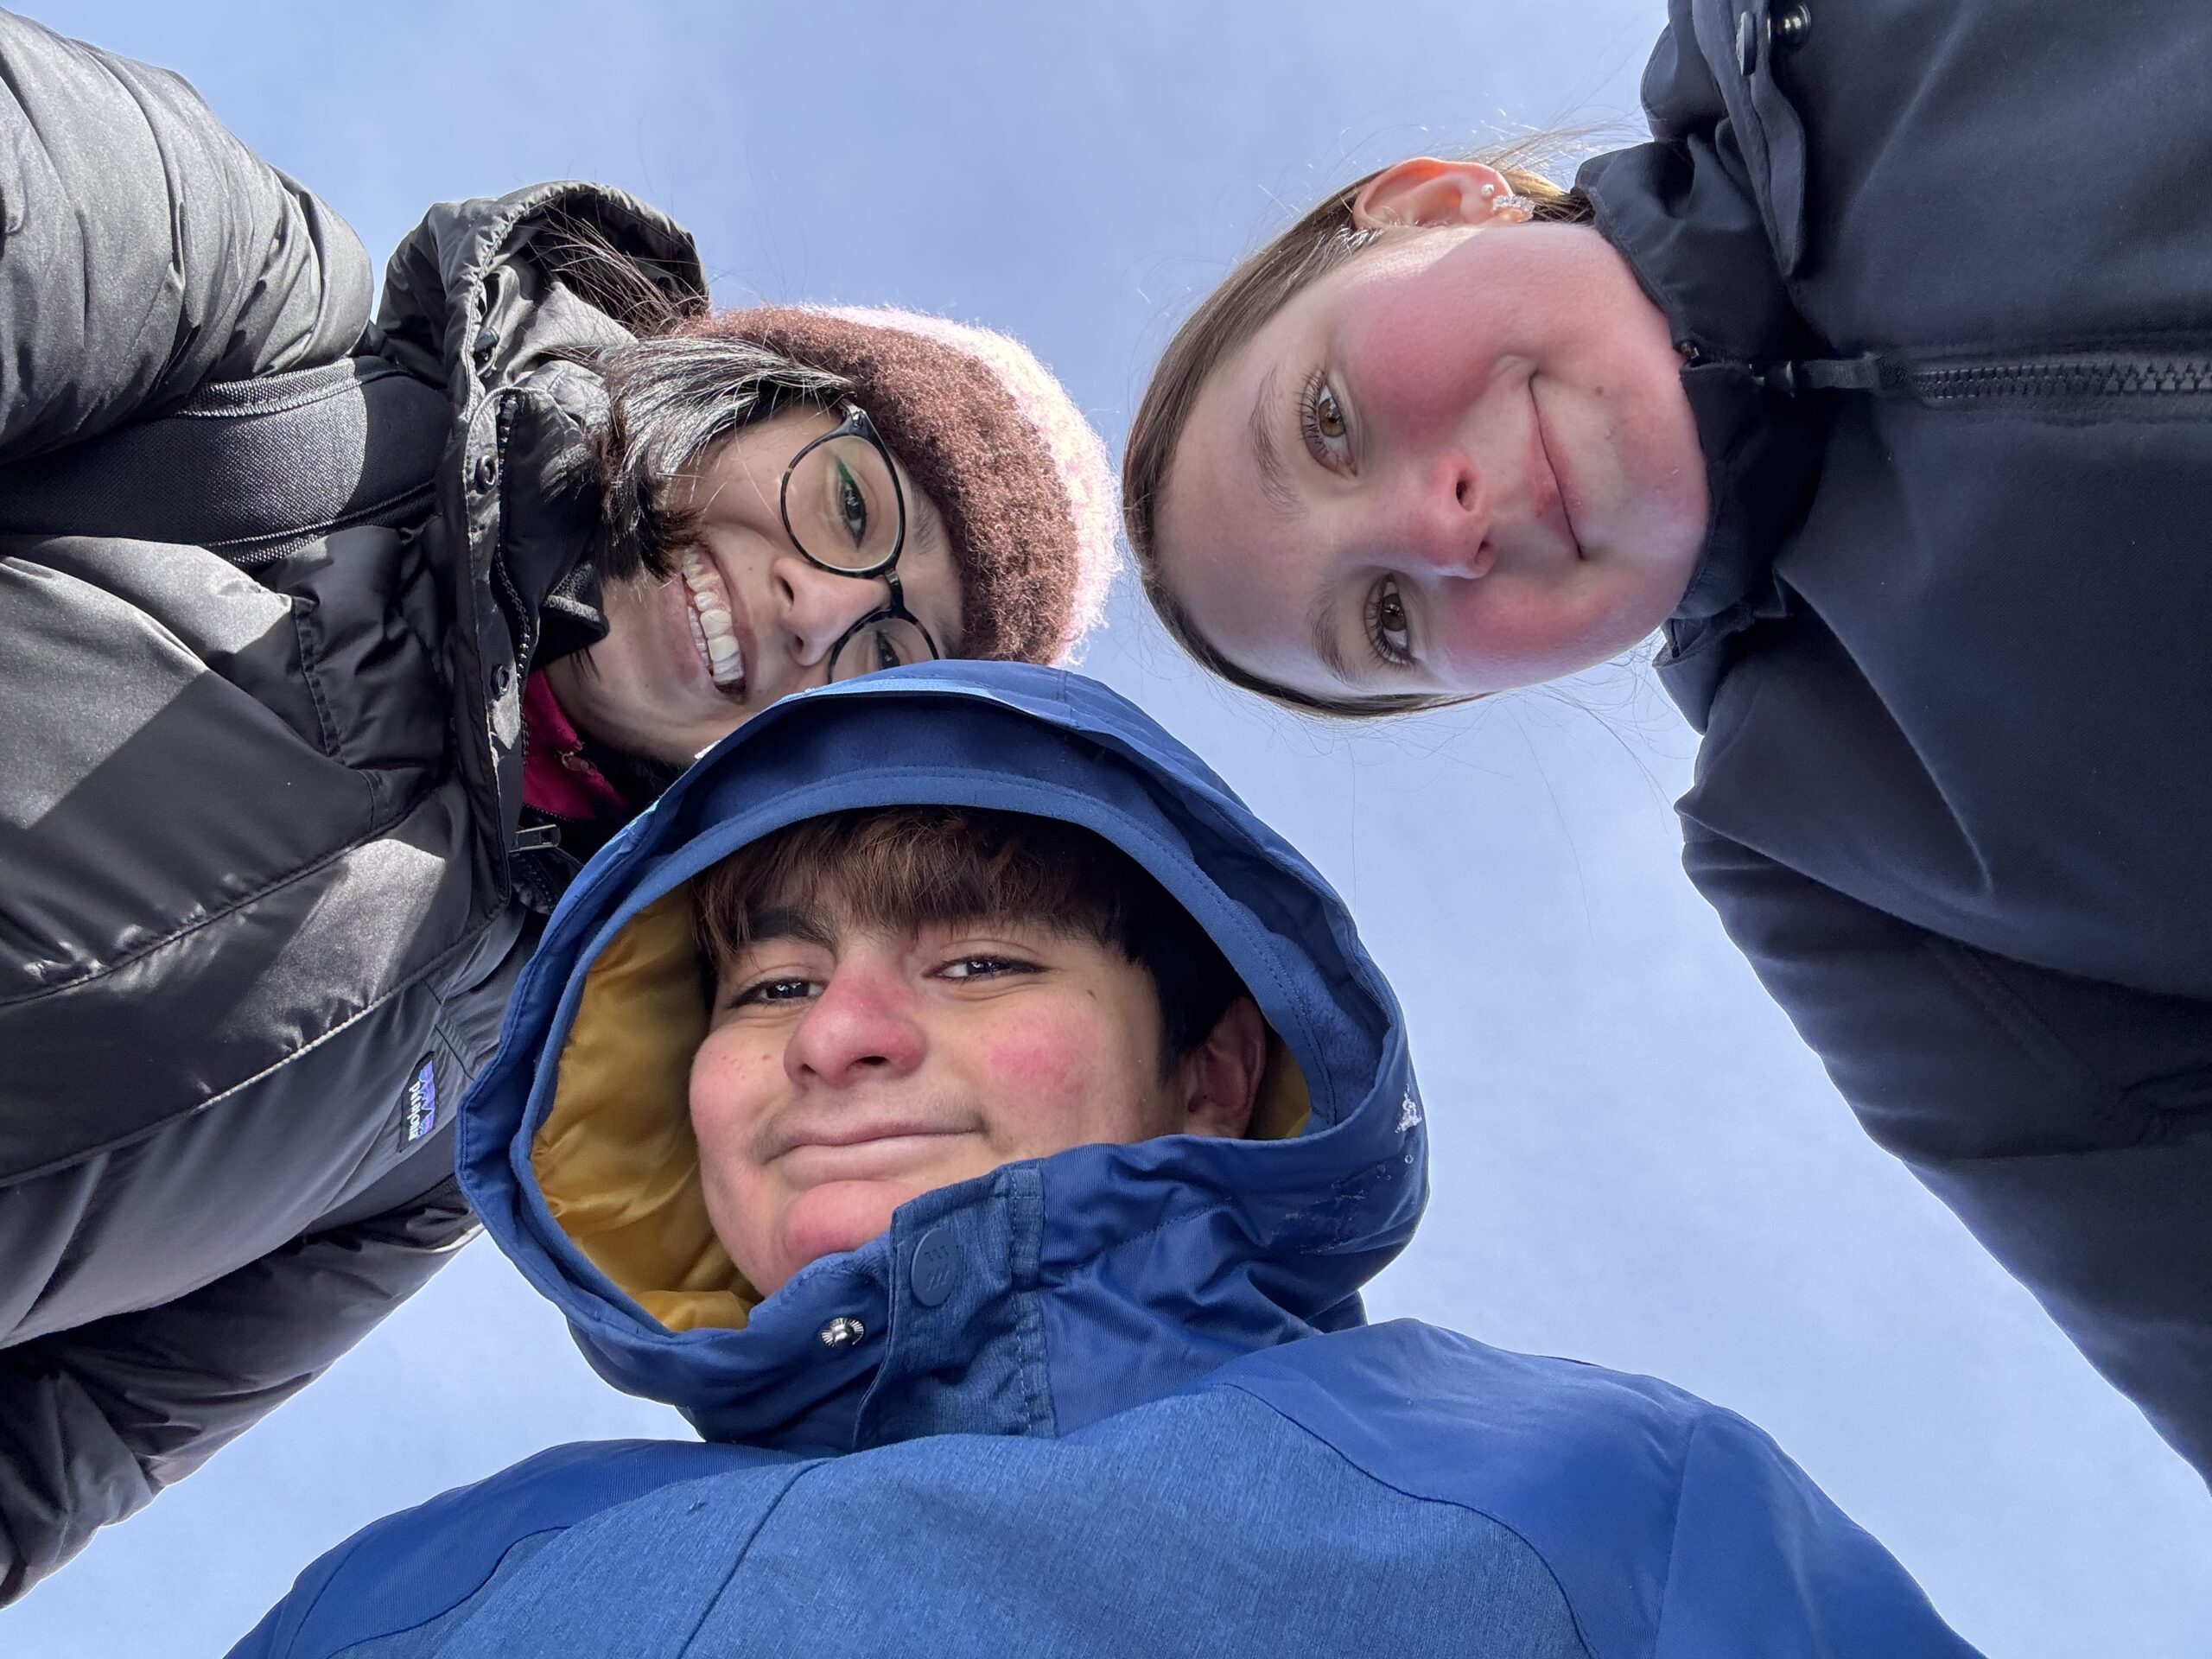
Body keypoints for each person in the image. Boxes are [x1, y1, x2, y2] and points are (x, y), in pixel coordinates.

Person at [0, 9, 1115, 1598]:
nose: (813, 603)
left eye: (885, 652)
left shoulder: (494, 1087)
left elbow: (89, 1428)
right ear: (751, 384)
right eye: (851, 500)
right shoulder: (266, 339)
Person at [232, 664, 1977, 1659]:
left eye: (977, 961)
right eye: (767, 982)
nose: (837, 1035)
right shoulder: (407, 1583)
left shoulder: (1602, 1486)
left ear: (1210, 1072)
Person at [1122, 0, 2212, 1478]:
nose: (1432, 530)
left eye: (1325, 420)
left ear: (1432, 203)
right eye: (1385, 622)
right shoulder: (1836, 866)